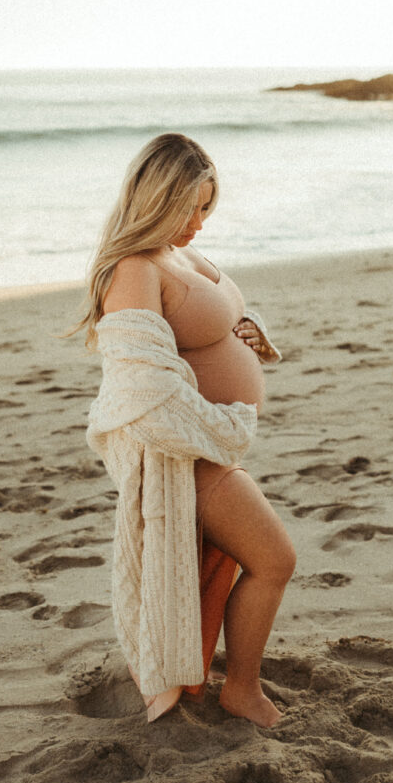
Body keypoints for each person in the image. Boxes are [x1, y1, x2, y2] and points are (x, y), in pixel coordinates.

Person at [78, 132, 295, 727]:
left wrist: (246, 335)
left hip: (213, 450)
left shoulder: (183, 254)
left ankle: (233, 684)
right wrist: (225, 425)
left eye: (207, 207)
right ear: (157, 198)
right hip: (188, 459)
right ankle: (242, 691)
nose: (199, 221)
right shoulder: (133, 268)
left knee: (258, 562)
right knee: (274, 560)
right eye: (190, 207)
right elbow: (141, 387)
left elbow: (204, 328)